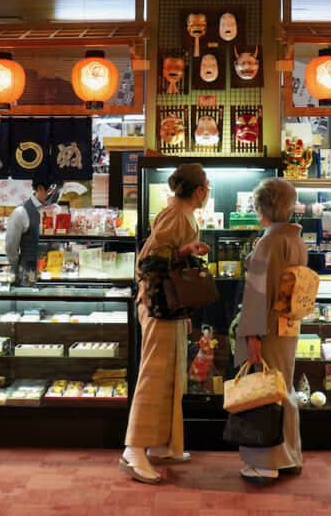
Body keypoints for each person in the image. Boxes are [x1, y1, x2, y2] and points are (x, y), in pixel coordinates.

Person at [121, 163, 210, 484]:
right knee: (155, 374)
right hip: (158, 305)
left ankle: (162, 443)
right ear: (199, 190)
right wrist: (186, 250)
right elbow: (150, 261)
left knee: (170, 374)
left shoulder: (178, 213)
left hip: (168, 305)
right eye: (206, 186)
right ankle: (134, 449)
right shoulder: (177, 216)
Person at [235, 178, 308, 485]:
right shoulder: (295, 239)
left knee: (264, 390)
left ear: (262, 207)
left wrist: (252, 335)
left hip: (265, 326)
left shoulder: (269, 242)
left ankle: (266, 462)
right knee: (284, 388)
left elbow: (256, 294)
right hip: (288, 325)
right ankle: (289, 454)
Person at [4, 180, 54, 286]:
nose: (54, 194)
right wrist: (16, 269)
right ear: (40, 188)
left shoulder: (55, 210)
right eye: (51, 190)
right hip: (28, 274)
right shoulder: (21, 212)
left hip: (52, 274)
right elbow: (11, 247)